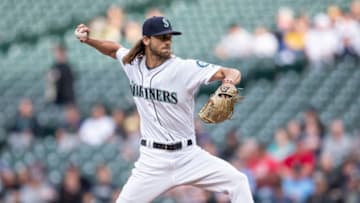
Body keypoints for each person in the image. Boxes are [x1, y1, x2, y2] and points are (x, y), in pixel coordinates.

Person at [75, 16, 254, 203]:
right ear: (146, 40)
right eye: (161, 37)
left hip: (188, 156)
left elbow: (233, 72)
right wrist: (89, 40)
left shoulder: (184, 68)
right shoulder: (133, 63)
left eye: (169, 37)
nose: (167, 41)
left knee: (238, 181)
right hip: (153, 160)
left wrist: (227, 82)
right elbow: (113, 50)